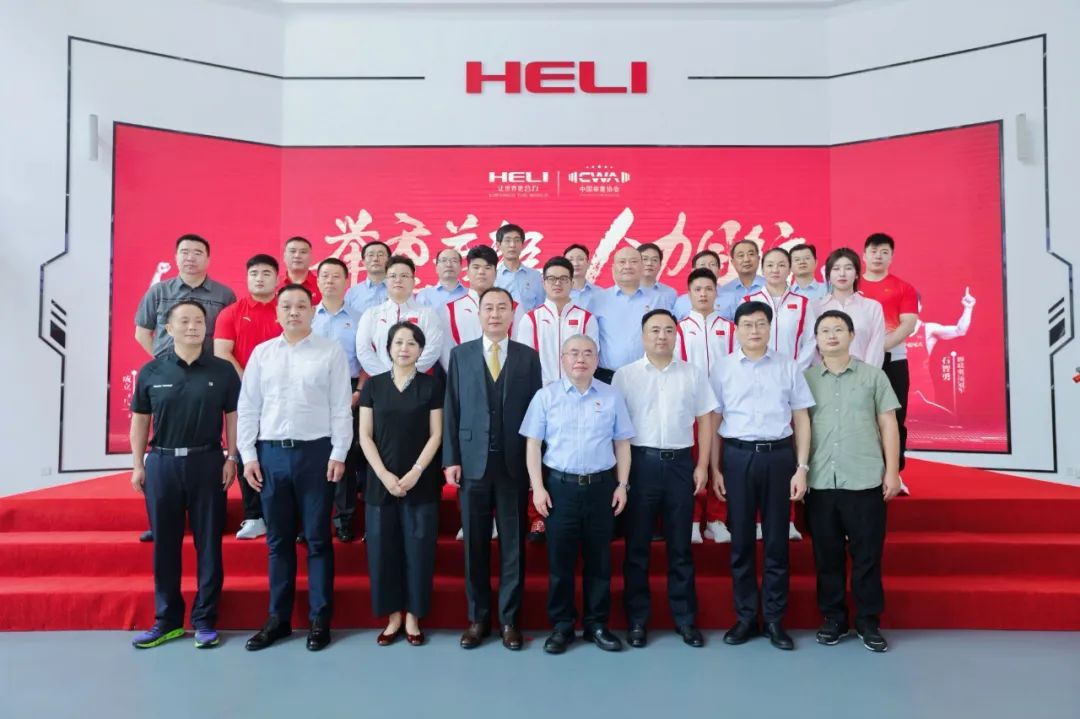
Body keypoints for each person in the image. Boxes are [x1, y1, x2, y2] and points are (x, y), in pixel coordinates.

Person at [238, 284, 353, 652]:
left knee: (318, 539)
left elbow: (340, 407)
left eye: (301, 306)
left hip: (316, 454)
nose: (293, 312)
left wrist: (339, 452)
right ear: (277, 313)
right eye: (286, 306)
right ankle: (279, 619)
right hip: (271, 454)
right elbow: (249, 407)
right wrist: (248, 455)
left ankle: (320, 619)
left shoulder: (330, 351)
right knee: (278, 541)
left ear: (312, 311)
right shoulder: (262, 354)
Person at [128, 300, 241, 650]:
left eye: (198, 321)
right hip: (162, 464)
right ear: (169, 328)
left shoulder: (222, 371)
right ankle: (167, 620)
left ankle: (205, 620)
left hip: (207, 462)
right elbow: (140, 421)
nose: (192, 327)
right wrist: (138, 464)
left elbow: (233, 416)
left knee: (209, 544)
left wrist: (231, 457)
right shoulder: (152, 372)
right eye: (184, 321)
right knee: (165, 545)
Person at [709, 301, 813, 651]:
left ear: (770, 328)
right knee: (740, 541)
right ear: (737, 330)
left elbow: (801, 418)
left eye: (760, 324)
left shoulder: (788, 366)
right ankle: (745, 617)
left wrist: (801, 467)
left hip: (779, 457)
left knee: (776, 542)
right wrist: (715, 468)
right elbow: (714, 420)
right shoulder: (722, 368)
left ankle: (773, 619)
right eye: (747, 325)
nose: (754, 330)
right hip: (737, 457)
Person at [520, 335, 634, 654]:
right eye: (573, 353)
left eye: (587, 353)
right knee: (561, 562)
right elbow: (533, 444)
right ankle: (562, 626)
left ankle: (597, 624)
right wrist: (538, 487)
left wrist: (622, 485)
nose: (580, 359)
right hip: (560, 488)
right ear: (563, 359)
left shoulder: (611, 396)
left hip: (601, 488)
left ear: (597, 359)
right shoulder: (546, 396)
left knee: (599, 561)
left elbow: (622, 443)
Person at [443, 287, 543, 651]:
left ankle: (510, 620)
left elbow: (536, 415)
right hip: (472, 463)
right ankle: (478, 618)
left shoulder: (528, 357)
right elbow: (452, 407)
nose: (495, 314)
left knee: (513, 545)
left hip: (514, 464)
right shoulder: (461, 354)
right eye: (489, 308)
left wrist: (535, 467)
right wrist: (451, 458)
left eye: (502, 308)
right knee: (475, 544)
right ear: (479, 313)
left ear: (513, 313)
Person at [613, 310, 716, 649]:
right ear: (643, 336)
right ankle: (637, 621)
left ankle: (685, 620)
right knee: (637, 548)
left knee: (680, 547)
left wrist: (702, 466)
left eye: (668, 330)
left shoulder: (693, 373)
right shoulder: (625, 376)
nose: (662, 336)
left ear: (676, 335)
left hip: (680, 466)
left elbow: (705, 420)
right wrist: (621, 477)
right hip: (640, 465)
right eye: (654, 330)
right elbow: (617, 430)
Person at [804, 310, 900, 653]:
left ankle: (868, 621)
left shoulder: (873, 376)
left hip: (864, 479)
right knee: (826, 556)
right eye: (825, 331)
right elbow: (800, 428)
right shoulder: (806, 380)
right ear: (816, 340)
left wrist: (892, 471)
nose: (832, 336)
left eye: (838, 330)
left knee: (867, 556)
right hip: (820, 481)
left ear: (851, 335)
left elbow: (888, 424)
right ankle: (833, 619)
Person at [134, 233, 236, 542]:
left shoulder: (223, 294)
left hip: (208, 377)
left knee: (206, 439)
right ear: (176, 257)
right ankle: (161, 521)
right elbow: (142, 332)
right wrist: (164, 365)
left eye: (197, 252)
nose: (190, 257)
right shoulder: (159, 292)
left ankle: (207, 517)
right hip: (168, 377)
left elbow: (228, 334)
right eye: (184, 252)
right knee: (164, 441)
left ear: (208, 258)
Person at [359, 322, 444, 647]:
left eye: (411, 343)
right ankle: (393, 616)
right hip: (380, 482)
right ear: (388, 348)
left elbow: (436, 434)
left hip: (420, 482)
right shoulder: (373, 386)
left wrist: (417, 471)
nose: (404, 348)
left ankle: (414, 617)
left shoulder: (430, 386)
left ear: (421, 350)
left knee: (419, 550)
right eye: (398, 342)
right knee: (383, 551)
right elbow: (365, 435)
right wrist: (383, 474)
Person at [514, 256, 599, 542]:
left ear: (572, 282)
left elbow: (592, 357)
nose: (558, 284)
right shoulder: (531, 318)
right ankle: (537, 518)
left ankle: (577, 517)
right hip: (541, 396)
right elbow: (524, 362)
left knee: (572, 456)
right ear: (544, 282)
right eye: (552, 279)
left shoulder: (586, 318)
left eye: (564, 278)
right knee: (537, 454)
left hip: (579, 395)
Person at [214, 254, 283, 541]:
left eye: (266, 273)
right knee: (247, 450)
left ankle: (281, 515)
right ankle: (254, 516)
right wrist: (250, 382)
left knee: (279, 453)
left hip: (284, 394)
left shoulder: (287, 308)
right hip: (245, 393)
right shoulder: (231, 312)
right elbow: (222, 352)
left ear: (277, 278)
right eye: (254, 273)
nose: (260, 278)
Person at [674, 268, 735, 544]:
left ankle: (716, 519)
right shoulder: (679, 330)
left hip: (723, 407)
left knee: (718, 464)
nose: (703, 294)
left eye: (708, 289)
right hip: (692, 409)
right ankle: (693, 520)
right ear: (688, 294)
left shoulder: (730, 328)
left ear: (716, 292)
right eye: (697, 289)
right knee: (693, 463)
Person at [311, 257, 364, 543]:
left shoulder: (360, 318)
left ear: (347, 281)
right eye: (325, 276)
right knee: (314, 453)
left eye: (336, 276)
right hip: (311, 392)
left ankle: (344, 518)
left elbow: (368, 358)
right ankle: (312, 520)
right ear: (318, 281)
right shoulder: (307, 315)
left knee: (346, 454)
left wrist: (359, 391)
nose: (330, 281)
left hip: (350, 389)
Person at [859, 233, 917, 488]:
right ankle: (865, 470)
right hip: (858, 360)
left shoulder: (903, 287)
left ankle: (894, 472)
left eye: (884, 252)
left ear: (891, 257)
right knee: (862, 416)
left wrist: (879, 347)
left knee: (895, 414)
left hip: (892, 359)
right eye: (873, 251)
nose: (878, 256)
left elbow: (908, 324)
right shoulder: (852, 284)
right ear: (864, 255)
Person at [590, 246, 673, 383]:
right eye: (622, 262)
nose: (628, 266)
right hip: (607, 377)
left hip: (649, 376)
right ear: (613, 268)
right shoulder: (597, 300)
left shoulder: (659, 299)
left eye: (634, 261)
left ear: (641, 267)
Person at [356, 255, 444, 376]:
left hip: (418, 380)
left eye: (404, 276)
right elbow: (363, 350)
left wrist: (407, 375)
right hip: (381, 381)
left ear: (413, 281)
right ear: (386, 281)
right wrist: (386, 377)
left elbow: (433, 349)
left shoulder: (427, 314)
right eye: (393, 276)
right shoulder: (371, 314)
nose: (398, 280)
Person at [740, 248, 817, 372]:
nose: (775, 270)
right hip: (756, 372)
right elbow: (740, 339)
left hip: (792, 373)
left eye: (781, 265)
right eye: (770, 265)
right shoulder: (748, 301)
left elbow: (810, 340)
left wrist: (796, 370)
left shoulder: (802, 303)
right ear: (762, 270)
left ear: (789, 269)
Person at [812, 248, 886, 368]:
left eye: (848, 268)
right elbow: (811, 347)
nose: (842, 274)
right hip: (825, 375)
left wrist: (867, 375)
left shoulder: (872, 307)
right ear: (828, 275)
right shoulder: (815, 307)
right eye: (836, 269)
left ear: (857, 274)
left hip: (862, 374)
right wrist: (823, 373)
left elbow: (876, 347)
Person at [439, 245, 500, 372]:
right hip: (465, 376)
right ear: (467, 272)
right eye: (476, 267)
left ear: (496, 273)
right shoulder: (450, 309)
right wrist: (461, 377)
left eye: (487, 267)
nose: (481, 272)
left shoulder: (513, 307)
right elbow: (446, 352)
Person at [494, 223, 544, 311]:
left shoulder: (535, 276)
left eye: (517, 240)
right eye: (507, 240)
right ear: (498, 245)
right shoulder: (493, 277)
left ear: (522, 245)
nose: (512, 245)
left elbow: (541, 307)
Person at [716, 240, 765, 321]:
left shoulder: (771, 286)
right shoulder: (724, 291)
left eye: (751, 254)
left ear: (758, 258)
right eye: (741, 255)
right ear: (733, 262)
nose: (746, 259)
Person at [672, 250, 723, 319]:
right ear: (693, 271)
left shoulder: (731, 299)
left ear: (719, 271)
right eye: (702, 264)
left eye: (712, 264)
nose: (708, 268)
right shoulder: (681, 302)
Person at [344, 241, 391, 317]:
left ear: (389, 260)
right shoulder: (352, 293)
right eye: (371, 255)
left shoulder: (399, 289)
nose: (375, 259)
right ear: (363, 261)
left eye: (380, 255)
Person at [278, 236, 321, 305]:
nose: (297, 255)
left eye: (303, 252)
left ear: (311, 257)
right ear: (284, 256)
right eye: (292, 251)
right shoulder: (274, 285)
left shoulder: (322, 285)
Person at [638, 242, 678, 308]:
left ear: (660, 265)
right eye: (644, 259)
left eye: (654, 260)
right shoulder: (624, 291)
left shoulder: (670, 293)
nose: (649, 263)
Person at [564, 243, 600, 310]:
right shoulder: (556, 293)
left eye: (580, 259)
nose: (575, 264)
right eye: (570, 260)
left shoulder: (600, 294)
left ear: (588, 264)